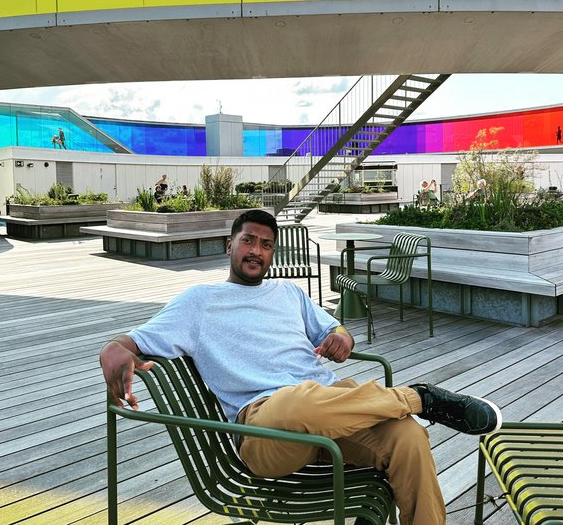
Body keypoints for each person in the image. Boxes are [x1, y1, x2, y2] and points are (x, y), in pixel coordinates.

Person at [100, 209, 501, 525]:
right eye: (248, 241)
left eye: (266, 245)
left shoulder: (289, 293)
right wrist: (115, 348)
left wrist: (342, 336)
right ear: (230, 246)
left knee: (408, 438)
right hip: (265, 430)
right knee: (297, 400)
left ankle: (413, 410)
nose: (256, 251)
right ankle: (420, 397)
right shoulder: (198, 301)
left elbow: (335, 328)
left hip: (329, 415)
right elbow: (130, 341)